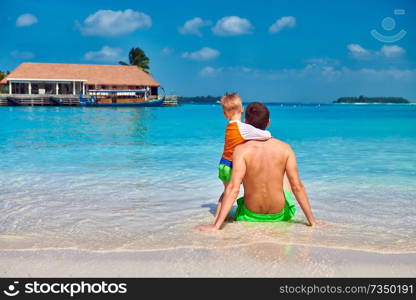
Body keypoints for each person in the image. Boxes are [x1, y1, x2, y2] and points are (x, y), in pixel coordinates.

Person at [196, 102, 317, 231]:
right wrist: (312, 222)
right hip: (280, 215)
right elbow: (297, 186)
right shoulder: (285, 148)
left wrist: (216, 226)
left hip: (249, 215)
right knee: (287, 174)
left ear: (246, 123)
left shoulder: (241, 150)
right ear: (268, 123)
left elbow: (233, 189)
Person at [214, 93, 272, 221]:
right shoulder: (242, 128)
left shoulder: (229, 126)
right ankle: (221, 219)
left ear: (225, 114)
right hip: (231, 165)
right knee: (232, 192)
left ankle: (218, 214)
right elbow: (265, 135)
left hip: (222, 164)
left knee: (226, 191)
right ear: (242, 110)